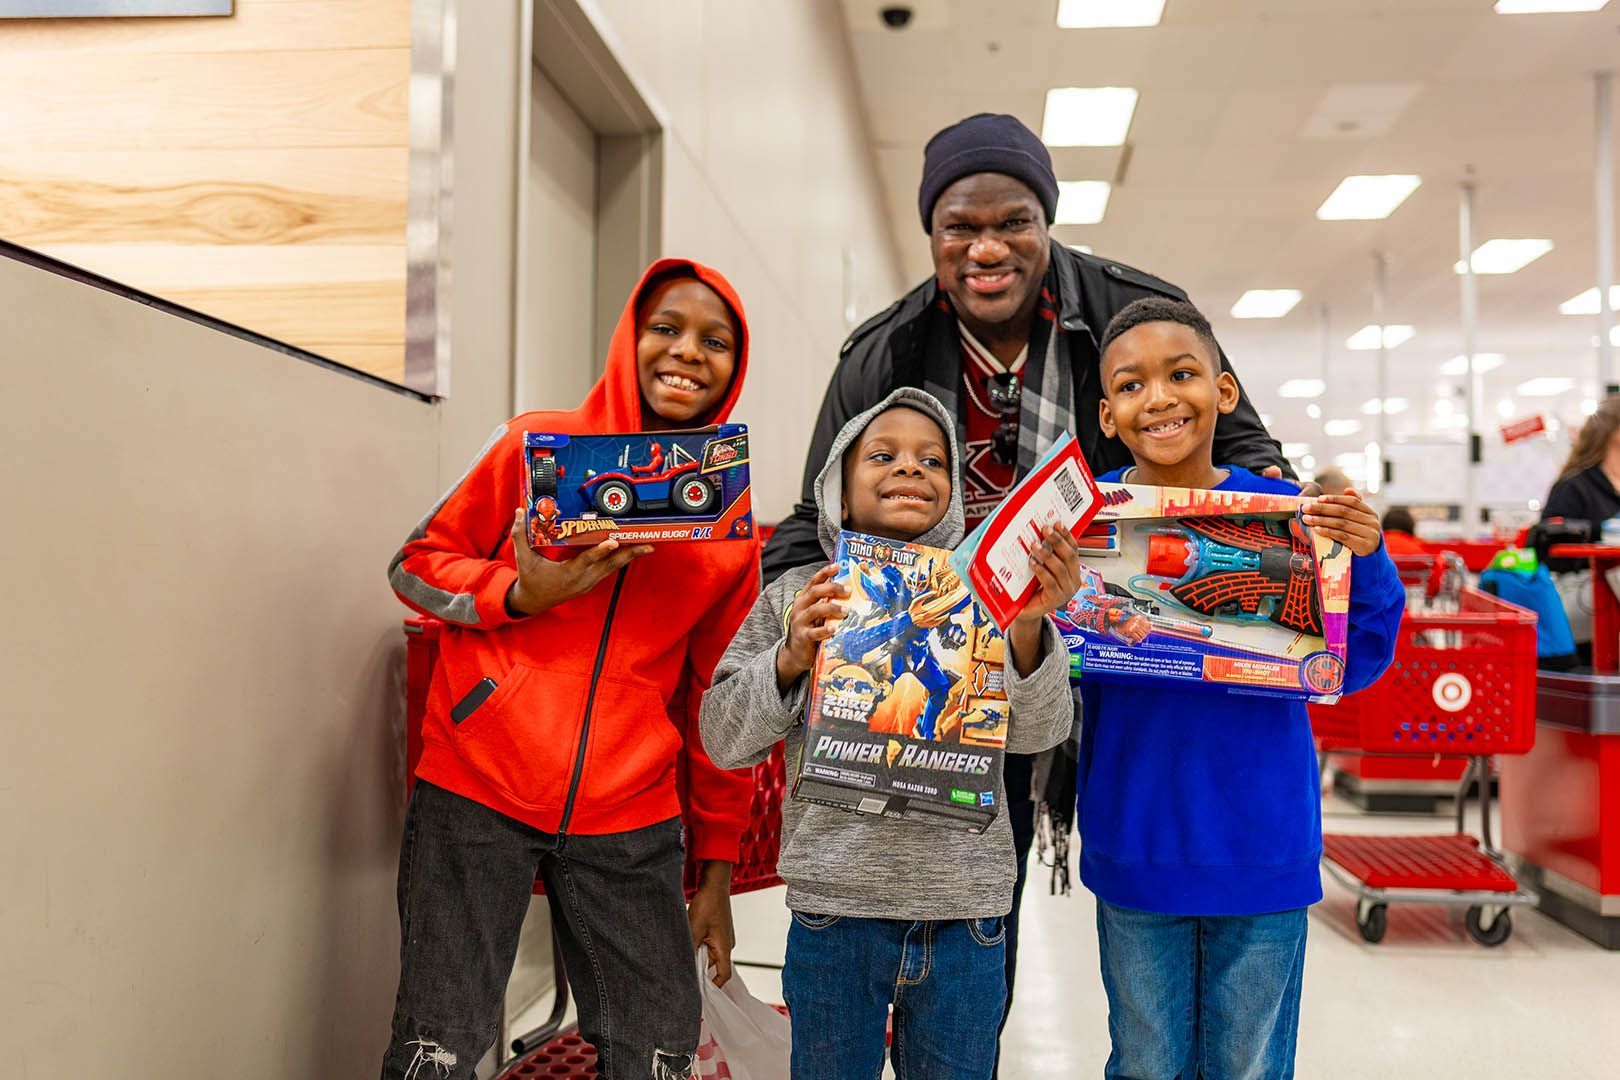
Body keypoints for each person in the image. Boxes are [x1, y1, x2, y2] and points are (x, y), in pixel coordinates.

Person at [760, 111, 1291, 1056]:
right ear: (932, 234)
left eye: (1014, 222)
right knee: (966, 890)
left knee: (1001, 915)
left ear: (1047, 223)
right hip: (943, 661)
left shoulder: (1138, 313)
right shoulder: (884, 351)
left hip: (1097, 649)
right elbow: (816, 513)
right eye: (959, 227)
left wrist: (1292, 557)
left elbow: (1249, 463)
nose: (986, 248)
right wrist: (816, 631)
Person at [381, 259, 760, 1079]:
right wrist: (520, 592)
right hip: (478, 784)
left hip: (631, 811)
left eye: (716, 341)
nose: (687, 352)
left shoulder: (728, 526)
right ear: (629, 337)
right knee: (437, 1044)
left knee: (659, 1046)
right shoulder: (533, 446)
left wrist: (718, 867)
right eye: (666, 328)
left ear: (736, 366)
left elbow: (720, 699)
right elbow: (415, 565)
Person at [700, 388, 1079, 1079]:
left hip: (966, 916)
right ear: (838, 494)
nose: (911, 468)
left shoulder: (993, 598)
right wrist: (789, 658)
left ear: (954, 494)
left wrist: (1027, 625)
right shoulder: (800, 597)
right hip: (834, 913)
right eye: (883, 456)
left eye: (932, 461)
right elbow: (723, 737)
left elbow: (1041, 732)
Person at [1078, 297, 1405, 1080]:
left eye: (1181, 374)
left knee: (1249, 1065)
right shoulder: (1085, 520)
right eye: (1131, 385)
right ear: (1108, 415)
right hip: (1137, 841)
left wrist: (1365, 557)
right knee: (1146, 1062)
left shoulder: (1291, 517)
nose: (1159, 398)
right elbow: (1039, 669)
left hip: (1263, 844)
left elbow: (1353, 662)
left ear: (1223, 391)